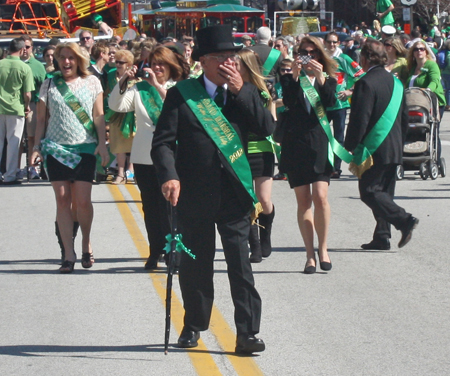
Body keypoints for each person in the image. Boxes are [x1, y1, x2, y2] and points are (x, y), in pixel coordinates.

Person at [151, 24, 275, 354]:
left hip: (235, 195)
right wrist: (169, 175)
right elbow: (162, 143)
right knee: (196, 265)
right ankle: (193, 324)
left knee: (240, 265)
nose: (228, 63)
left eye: (232, 57)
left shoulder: (245, 91)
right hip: (194, 193)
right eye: (221, 57)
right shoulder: (183, 94)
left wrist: (242, 92)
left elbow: (266, 128)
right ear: (203, 61)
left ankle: (247, 332)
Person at [30, 42, 109, 273]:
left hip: (85, 148)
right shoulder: (49, 84)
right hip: (56, 149)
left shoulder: (93, 82)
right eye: (62, 57)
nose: (66, 62)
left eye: (70, 58)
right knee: (63, 200)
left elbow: (98, 116)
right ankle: (68, 253)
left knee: (82, 201)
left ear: (78, 60)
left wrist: (103, 146)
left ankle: (85, 241)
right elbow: (41, 120)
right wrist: (36, 146)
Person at [109, 46, 189, 269]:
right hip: (145, 156)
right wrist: (125, 78)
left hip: (173, 157)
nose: (157, 67)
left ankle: (173, 249)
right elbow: (116, 105)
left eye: (162, 63)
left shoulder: (180, 88)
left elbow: (180, 111)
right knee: (151, 207)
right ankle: (155, 250)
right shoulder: (139, 89)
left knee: (171, 207)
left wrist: (158, 87)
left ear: (171, 65)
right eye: (154, 63)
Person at [344, 38, 418, 251]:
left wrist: (350, 144)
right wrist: (399, 143)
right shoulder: (397, 83)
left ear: (365, 58)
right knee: (384, 193)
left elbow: (360, 118)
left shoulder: (366, 82)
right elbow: (405, 118)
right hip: (394, 146)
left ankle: (405, 220)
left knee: (369, 191)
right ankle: (382, 236)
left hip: (374, 148)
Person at [279, 36, 338, 274]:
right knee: (303, 200)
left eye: (313, 53)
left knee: (320, 197)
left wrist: (321, 77)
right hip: (295, 144)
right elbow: (290, 104)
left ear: (320, 56)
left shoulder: (329, 80)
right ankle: (309, 255)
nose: (309, 57)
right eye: (304, 52)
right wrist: (294, 75)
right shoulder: (289, 79)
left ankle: (323, 248)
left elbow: (331, 105)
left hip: (318, 143)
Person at [236, 48, 276, 263]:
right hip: (239, 150)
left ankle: (266, 233)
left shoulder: (263, 90)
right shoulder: (228, 90)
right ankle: (255, 246)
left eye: (238, 64)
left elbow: (270, 122)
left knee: (264, 200)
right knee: (247, 200)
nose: (233, 67)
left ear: (247, 66)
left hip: (262, 149)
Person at [325, 32, 364, 178]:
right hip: (322, 104)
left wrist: (350, 91)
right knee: (321, 136)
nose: (332, 45)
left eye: (335, 42)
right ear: (324, 42)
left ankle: (336, 168)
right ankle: (323, 165)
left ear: (339, 43)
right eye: (329, 42)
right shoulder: (319, 58)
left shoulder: (344, 58)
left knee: (339, 137)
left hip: (339, 105)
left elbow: (361, 75)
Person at [406, 39, 445, 167]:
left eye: (422, 49)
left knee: (433, 130)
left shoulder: (431, 65)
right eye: (416, 49)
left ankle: (435, 160)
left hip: (432, 102)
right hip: (415, 103)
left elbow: (434, 81)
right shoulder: (412, 68)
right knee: (415, 130)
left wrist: (428, 90)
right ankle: (414, 158)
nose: (419, 52)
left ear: (426, 51)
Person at [0, 38, 34, 185]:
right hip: (15, 108)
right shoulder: (24, 68)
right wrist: (27, 106)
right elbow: (27, 94)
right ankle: (10, 175)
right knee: (14, 142)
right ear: (22, 50)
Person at [105, 49, 136, 185]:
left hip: (131, 115)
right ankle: (120, 173)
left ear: (129, 64)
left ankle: (131, 170)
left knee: (133, 143)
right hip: (115, 115)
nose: (118, 64)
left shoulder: (135, 77)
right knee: (118, 145)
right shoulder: (111, 75)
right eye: (116, 62)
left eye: (121, 62)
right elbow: (106, 92)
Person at [21, 35, 47, 179]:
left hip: (32, 105)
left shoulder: (37, 66)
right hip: (15, 106)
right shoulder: (14, 62)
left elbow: (43, 87)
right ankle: (12, 168)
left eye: (28, 47)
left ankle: (32, 167)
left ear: (32, 48)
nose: (25, 50)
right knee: (16, 139)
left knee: (31, 137)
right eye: (22, 47)